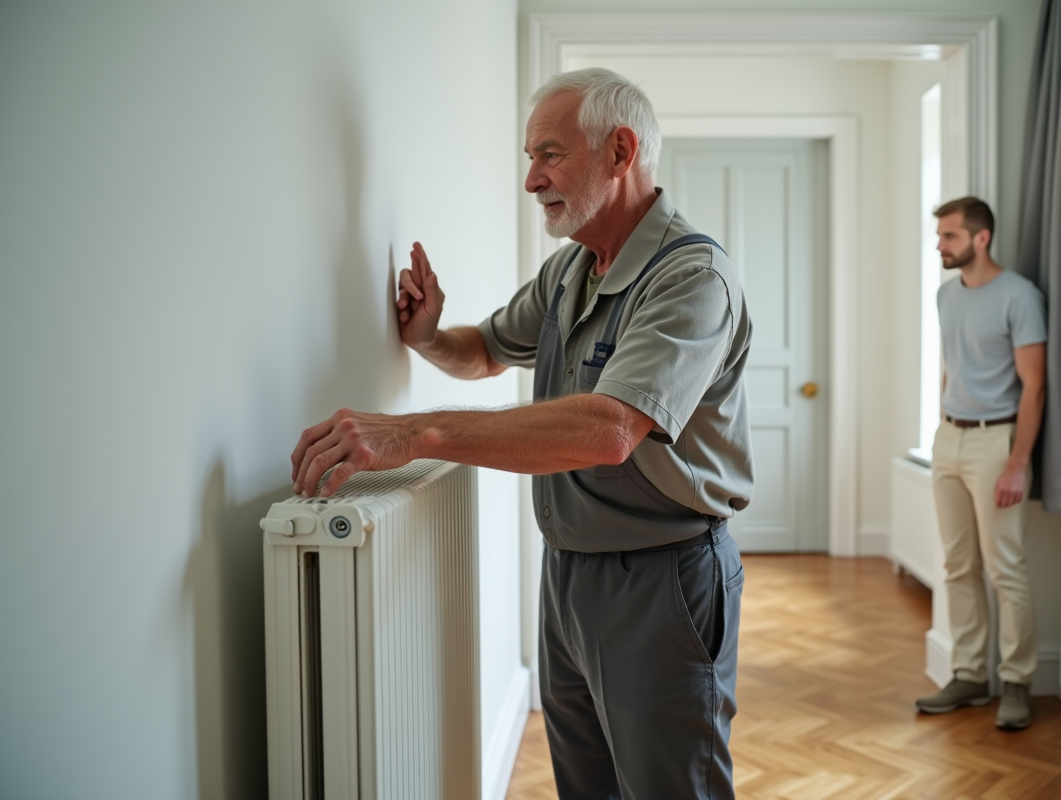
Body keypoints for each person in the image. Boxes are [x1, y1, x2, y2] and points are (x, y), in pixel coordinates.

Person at [291, 68, 753, 799]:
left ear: (620, 151)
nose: (532, 180)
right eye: (529, 159)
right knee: (587, 784)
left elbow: (609, 430)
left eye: (549, 154)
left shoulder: (691, 276)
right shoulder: (571, 270)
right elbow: (484, 352)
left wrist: (413, 434)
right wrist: (428, 335)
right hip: (569, 571)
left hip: (661, 578)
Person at [914, 197, 1047, 731]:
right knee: (957, 564)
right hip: (950, 438)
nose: (941, 246)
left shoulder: (1019, 297)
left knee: (1005, 568)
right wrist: (942, 429)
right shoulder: (947, 296)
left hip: (998, 443)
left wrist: (1018, 462)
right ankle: (969, 675)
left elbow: (1035, 385)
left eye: (949, 237)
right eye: (940, 236)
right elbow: (952, 366)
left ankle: (1017, 682)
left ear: (981, 238)